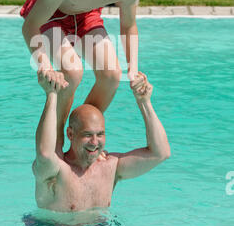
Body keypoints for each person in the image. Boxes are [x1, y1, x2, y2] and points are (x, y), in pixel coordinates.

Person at [21, 0, 143, 155]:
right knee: (72, 72)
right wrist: (45, 66)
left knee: (111, 75)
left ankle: (79, 135)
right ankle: (54, 144)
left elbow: (128, 26)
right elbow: (31, 26)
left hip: (86, 14)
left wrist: (133, 69)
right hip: (51, 13)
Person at [33, 69, 170, 213]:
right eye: (87, 135)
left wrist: (144, 102)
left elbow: (161, 153)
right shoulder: (56, 171)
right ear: (70, 134)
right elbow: (45, 154)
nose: (94, 142)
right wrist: (52, 95)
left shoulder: (110, 168)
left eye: (100, 134)